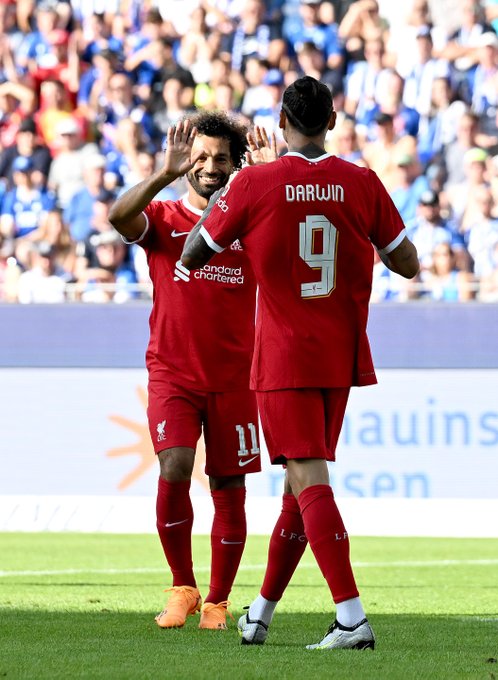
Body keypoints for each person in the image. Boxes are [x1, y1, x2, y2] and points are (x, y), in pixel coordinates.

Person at [181, 76, 419, 650]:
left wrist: (244, 196)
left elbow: (193, 251)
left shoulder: (255, 182)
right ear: (332, 121)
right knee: (298, 487)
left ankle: (352, 619)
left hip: (285, 355)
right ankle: (260, 613)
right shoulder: (362, 182)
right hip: (341, 354)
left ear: (282, 122)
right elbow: (407, 263)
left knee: (308, 481)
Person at [108, 111, 269, 631]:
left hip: (237, 378)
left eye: (220, 158)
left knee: (229, 483)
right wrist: (162, 173)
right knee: (174, 465)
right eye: (200, 157)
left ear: (234, 165)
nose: (208, 166)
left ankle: (218, 602)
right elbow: (118, 217)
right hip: (173, 373)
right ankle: (182, 587)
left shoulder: (251, 223)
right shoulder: (164, 217)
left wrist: (267, 177)